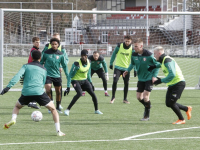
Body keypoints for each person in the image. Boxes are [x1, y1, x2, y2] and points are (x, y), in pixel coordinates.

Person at [0, 50, 65, 136]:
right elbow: (43, 82)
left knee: (17, 106)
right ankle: (58, 131)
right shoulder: (44, 69)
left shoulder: (25, 66)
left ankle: (13, 119)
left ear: (31, 57)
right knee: (53, 110)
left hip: (26, 93)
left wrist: (8, 87)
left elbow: (17, 76)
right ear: (40, 58)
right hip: (39, 92)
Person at [148, 46, 192, 124]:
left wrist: (160, 81)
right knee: (168, 103)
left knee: (172, 103)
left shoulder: (167, 60)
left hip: (179, 83)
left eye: (155, 54)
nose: (154, 56)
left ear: (159, 53)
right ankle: (187, 109)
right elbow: (161, 65)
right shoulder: (163, 60)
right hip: (172, 84)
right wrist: (154, 66)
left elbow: (172, 74)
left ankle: (181, 119)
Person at [123, 38, 160, 121]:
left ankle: (146, 115)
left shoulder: (149, 55)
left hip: (149, 77)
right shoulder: (133, 54)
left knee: (146, 97)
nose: (134, 48)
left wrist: (154, 76)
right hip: (141, 78)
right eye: (134, 46)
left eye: (136, 46)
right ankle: (148, 105)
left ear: (141, 46)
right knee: (139, 97)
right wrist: (127, 71)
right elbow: (132, 64)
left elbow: (157, 65)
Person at [63, 49, 103, 116]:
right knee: (79, 93)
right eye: (83, 56)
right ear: (81, 56)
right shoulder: (76, 64)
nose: (84, 57)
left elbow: (88, 73)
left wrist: (91, 83)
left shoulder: (89, 62)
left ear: (87, 56)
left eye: (85, 56)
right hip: (75, 80)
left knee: (93, 94)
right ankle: (67, 109)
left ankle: (96, 110)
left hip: (84, 80)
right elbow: (70, 75)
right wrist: (68, 87)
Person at [40, 38, 69, 113]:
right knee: (48, 89)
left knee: (58, 91)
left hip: (57, 75)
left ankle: (58, 106)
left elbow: (64, 66)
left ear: (58, 45)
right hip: (47, 74)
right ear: (50, 45)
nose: (54, 45)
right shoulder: (46, 53)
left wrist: (67, 75)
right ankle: (50, 105)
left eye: (55, 44)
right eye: (52, 44)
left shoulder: (61, 54)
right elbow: (41, 62)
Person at [109, 35, 136, 104]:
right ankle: (113, 97)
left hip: (126, 69)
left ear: (131, 41)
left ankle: (125, 99)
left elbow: (133, 60)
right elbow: (114, 54)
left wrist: (135, 69)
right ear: (124, 40)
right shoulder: (119, 46)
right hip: (117, 67)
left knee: (126, 83)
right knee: (115, 81)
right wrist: (111, 63)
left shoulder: (132, 49)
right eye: (126, 41)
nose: (127, 42)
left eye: (128, 41)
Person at [26, 37, 41, 109]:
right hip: (33, 70)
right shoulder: (34, 51)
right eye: (36, 42)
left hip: (32, 69)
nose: (38, 43)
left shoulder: (35, 50)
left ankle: (31, 102)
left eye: (39, 42)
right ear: (33, 43)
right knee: (36, 86)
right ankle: (33, 102)